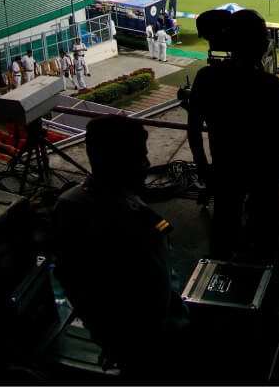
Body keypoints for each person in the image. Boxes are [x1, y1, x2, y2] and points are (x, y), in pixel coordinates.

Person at [52, 115, 189, 373]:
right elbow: (157, 300)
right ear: (121, 162)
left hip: (111, 339)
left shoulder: (68, 204)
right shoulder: (138, 222)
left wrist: (109, 340)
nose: (148, 164)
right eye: (141, 157)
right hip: (152, 349)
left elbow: (72, 281)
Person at [185, 9, 279, 261]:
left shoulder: (206, 77)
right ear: (258, 42)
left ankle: (219, 277)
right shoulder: (269, 86)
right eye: (263, 35)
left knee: (224, 229)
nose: (266, 41)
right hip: (266, 172)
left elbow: (194, 129)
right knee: (264, 236)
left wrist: (203, 168)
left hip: (225, 169)